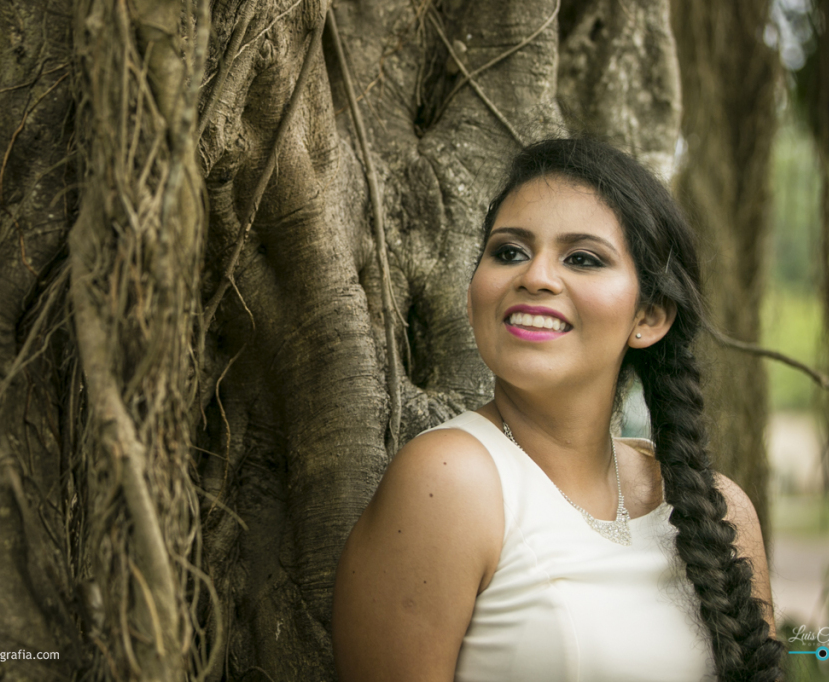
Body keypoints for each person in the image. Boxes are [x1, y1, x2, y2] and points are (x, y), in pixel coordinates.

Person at [331, 138, 785, 682]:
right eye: (509, 252)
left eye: (583, 259)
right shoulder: (451, 481)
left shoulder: (720, 512)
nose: (535, 276)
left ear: (650, 316)